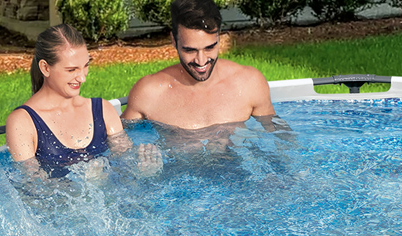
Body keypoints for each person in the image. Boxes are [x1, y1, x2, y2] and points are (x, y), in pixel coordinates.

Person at [6, 24, 159, 180]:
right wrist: (87, 186)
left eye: (85, 66)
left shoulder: (103, 110)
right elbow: (33, 186)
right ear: (45, 68)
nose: (82, 78)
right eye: (71, 70)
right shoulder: (22, 122)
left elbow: (126, 166)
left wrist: (142, 172)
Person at [121, 0, 287, 136]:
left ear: (219, 38)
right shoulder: (149, 93)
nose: (201, 61)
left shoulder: (249, 83)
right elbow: (116, 146)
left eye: (209, 48)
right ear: (173, 41)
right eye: (190, 50)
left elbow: (283, 139)